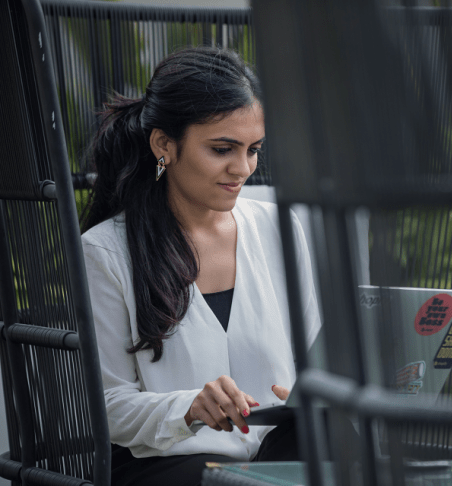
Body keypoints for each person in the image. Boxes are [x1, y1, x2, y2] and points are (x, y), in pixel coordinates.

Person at [81, 47, 321, 485]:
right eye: (222, 149)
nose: (242, 168)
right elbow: (107, 405)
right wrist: (189, 409)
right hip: (166, 463)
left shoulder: (279, 230)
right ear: (164, 145)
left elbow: (313, 360)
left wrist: (313, 395)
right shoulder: (106, 252)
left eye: (253, 150)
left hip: (273, 452)